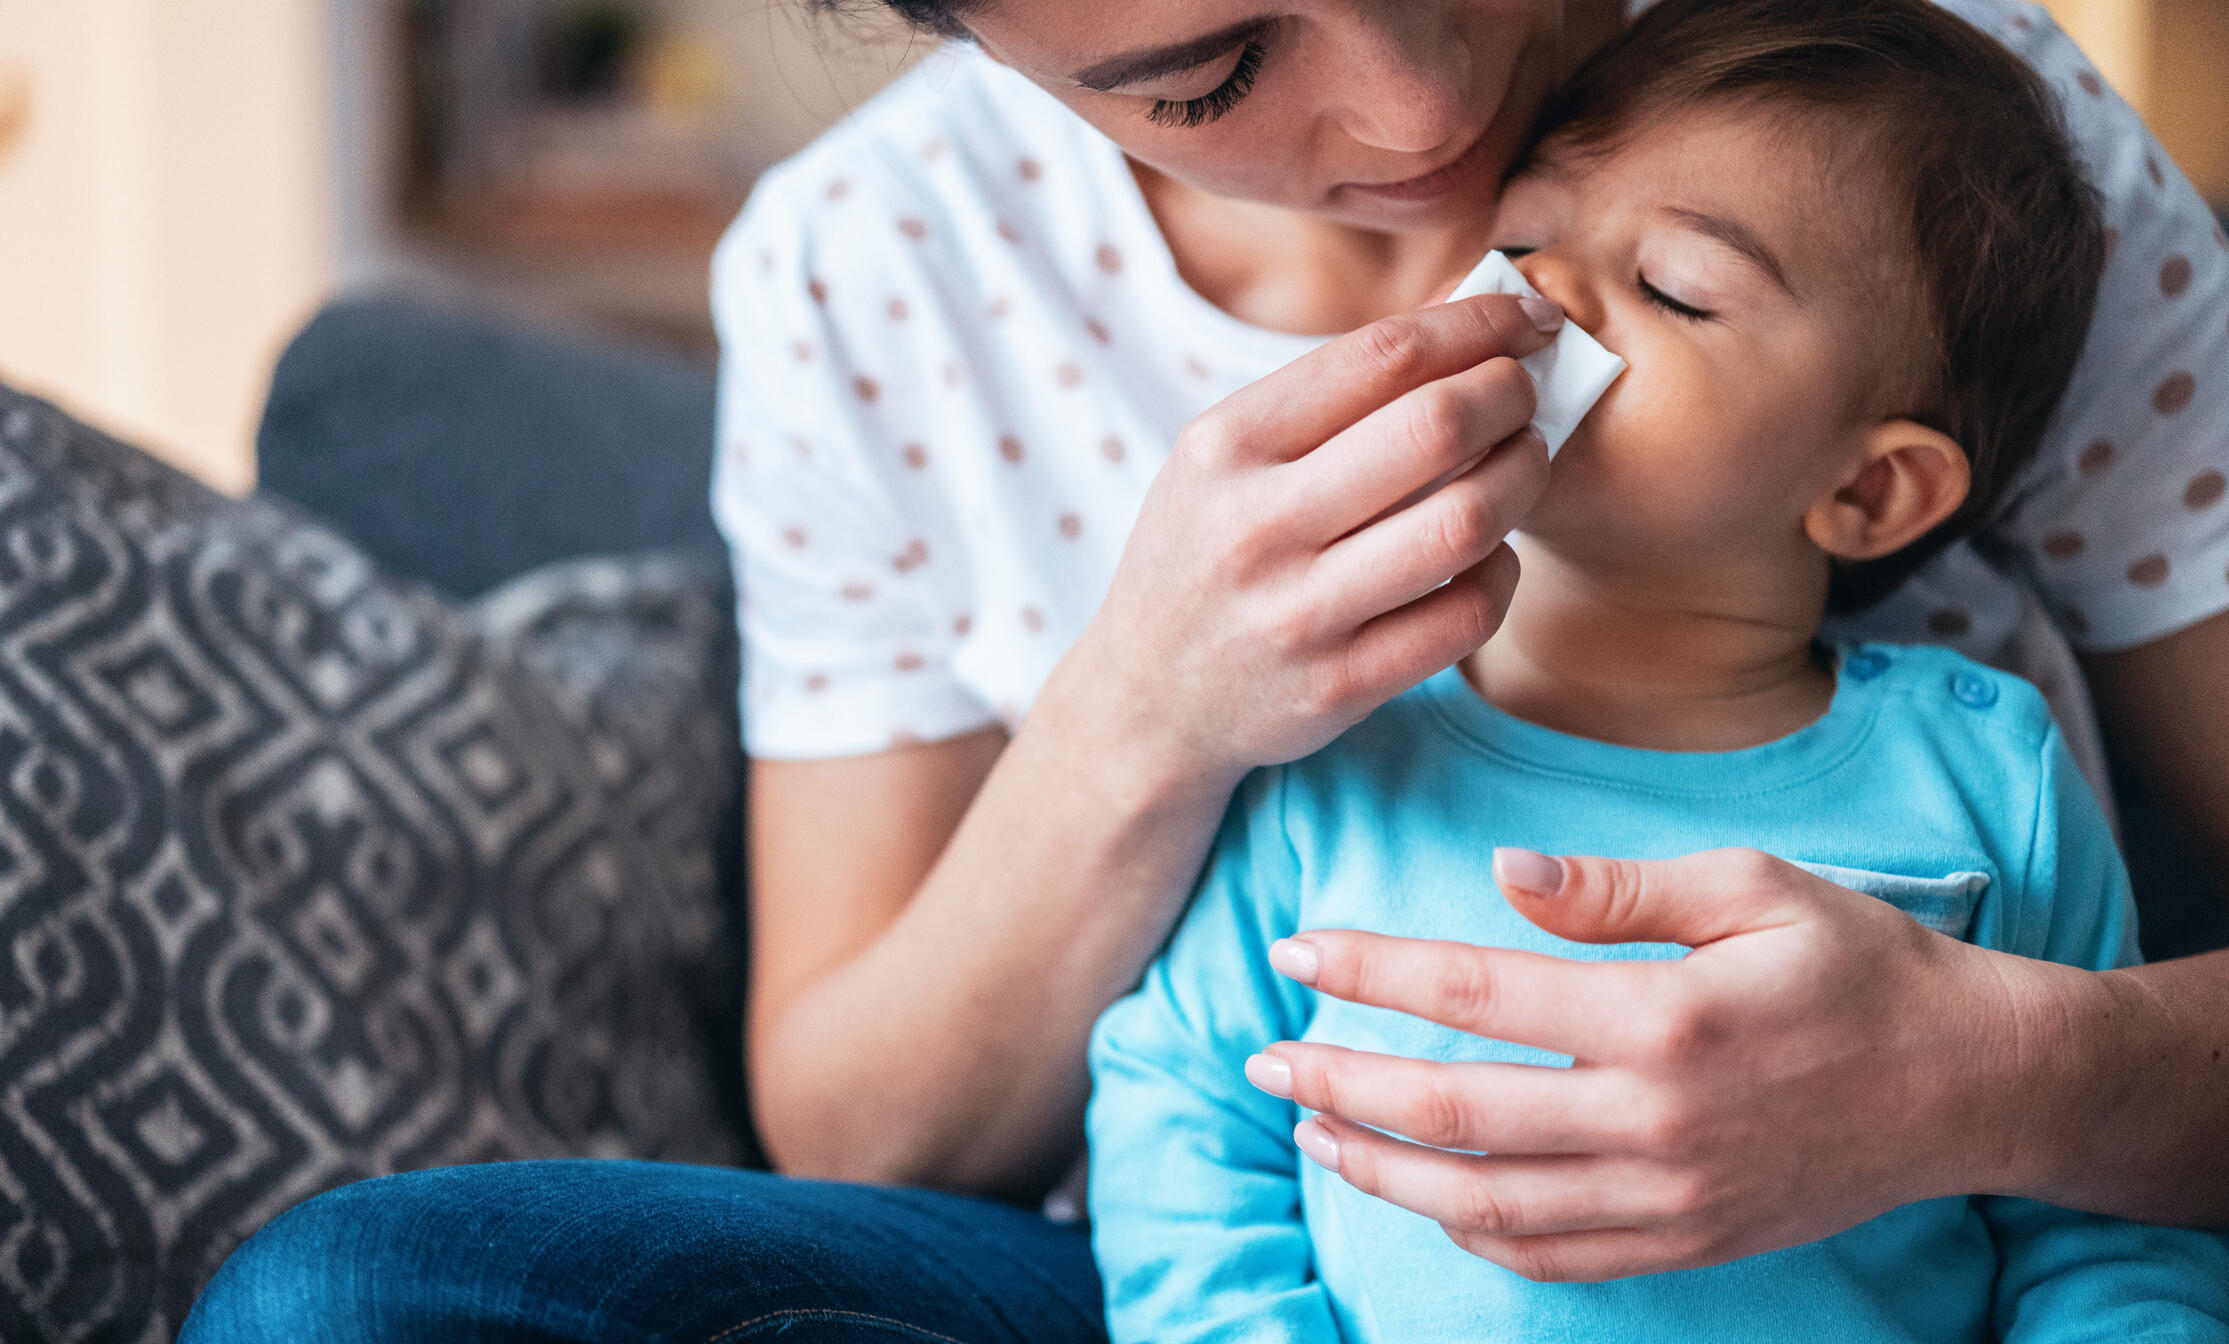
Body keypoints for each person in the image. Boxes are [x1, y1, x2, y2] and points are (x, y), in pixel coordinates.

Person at [183, 0, 2229, 1337]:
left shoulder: (1914, 143)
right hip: (1218, 1283)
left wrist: (2002, 1078)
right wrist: (1142, 714)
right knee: (363, 1295)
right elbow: (880, 1132)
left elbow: (2106, 1239)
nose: (1431, 117)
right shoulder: (870, 279)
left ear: (1875, 488)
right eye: (1209, 71)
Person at [1085, 2, 2229, 1339]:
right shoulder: (1335, 747)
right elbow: (1182, 1107)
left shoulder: (1986, 770)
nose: (1540, 298)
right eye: (1518, 240)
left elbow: (2100, 1231)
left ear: (1867, 491)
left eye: (1672, 288)